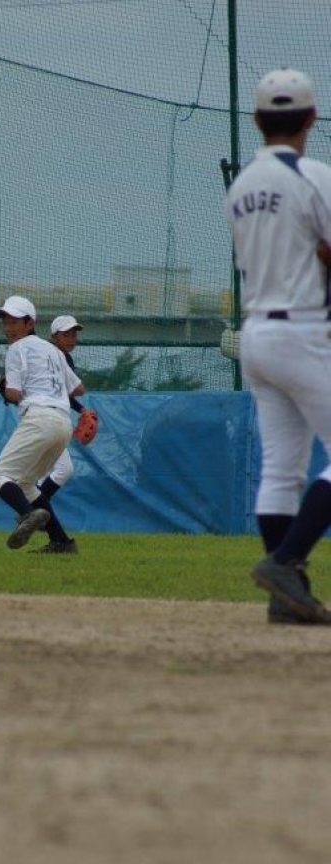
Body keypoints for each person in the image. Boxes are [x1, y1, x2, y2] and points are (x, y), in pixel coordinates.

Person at [225, 68, 331, 624]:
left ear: (257, 119)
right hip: (303, 330)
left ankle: (284, 601)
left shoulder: (242, 186)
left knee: (281, 471)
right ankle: (285, 563)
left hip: (256, 333)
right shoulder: (313, 175)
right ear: (311, 118)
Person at [0, 295, 84, 549]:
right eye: (5, 322)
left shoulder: (16, 349)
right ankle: (61, 542)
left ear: (30, 323)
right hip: (63, 423)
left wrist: (5, 389)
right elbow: (78, 389)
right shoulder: (54, 350)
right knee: (27, 485)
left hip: (39, 419)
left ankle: (28, 515)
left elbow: (14, 394)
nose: (8, 328)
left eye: (14, 322)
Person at [34, 314, 90, 554]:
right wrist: (82, 409)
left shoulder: (59, 356)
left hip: (46, 420)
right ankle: (33, 511)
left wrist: (81, 410)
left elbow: (62, 393)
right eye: (66, 334)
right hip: (45, 420)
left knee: (44, 474)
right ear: (54, 337)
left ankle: (38, 517)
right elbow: (69, 391)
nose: (71, 338)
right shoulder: (58, 357)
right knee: (61, 470)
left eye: (74, 334)